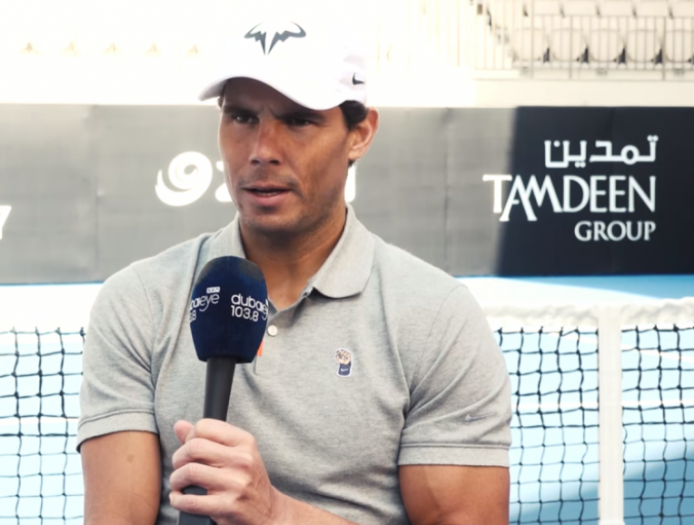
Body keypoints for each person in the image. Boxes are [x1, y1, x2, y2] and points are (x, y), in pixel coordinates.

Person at [77, 18, 512, 525]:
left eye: (299, 120)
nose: (262, 150)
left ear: (360, 134)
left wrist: (277, 514)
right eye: (241, 117)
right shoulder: (138, 301)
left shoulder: (436, 317)